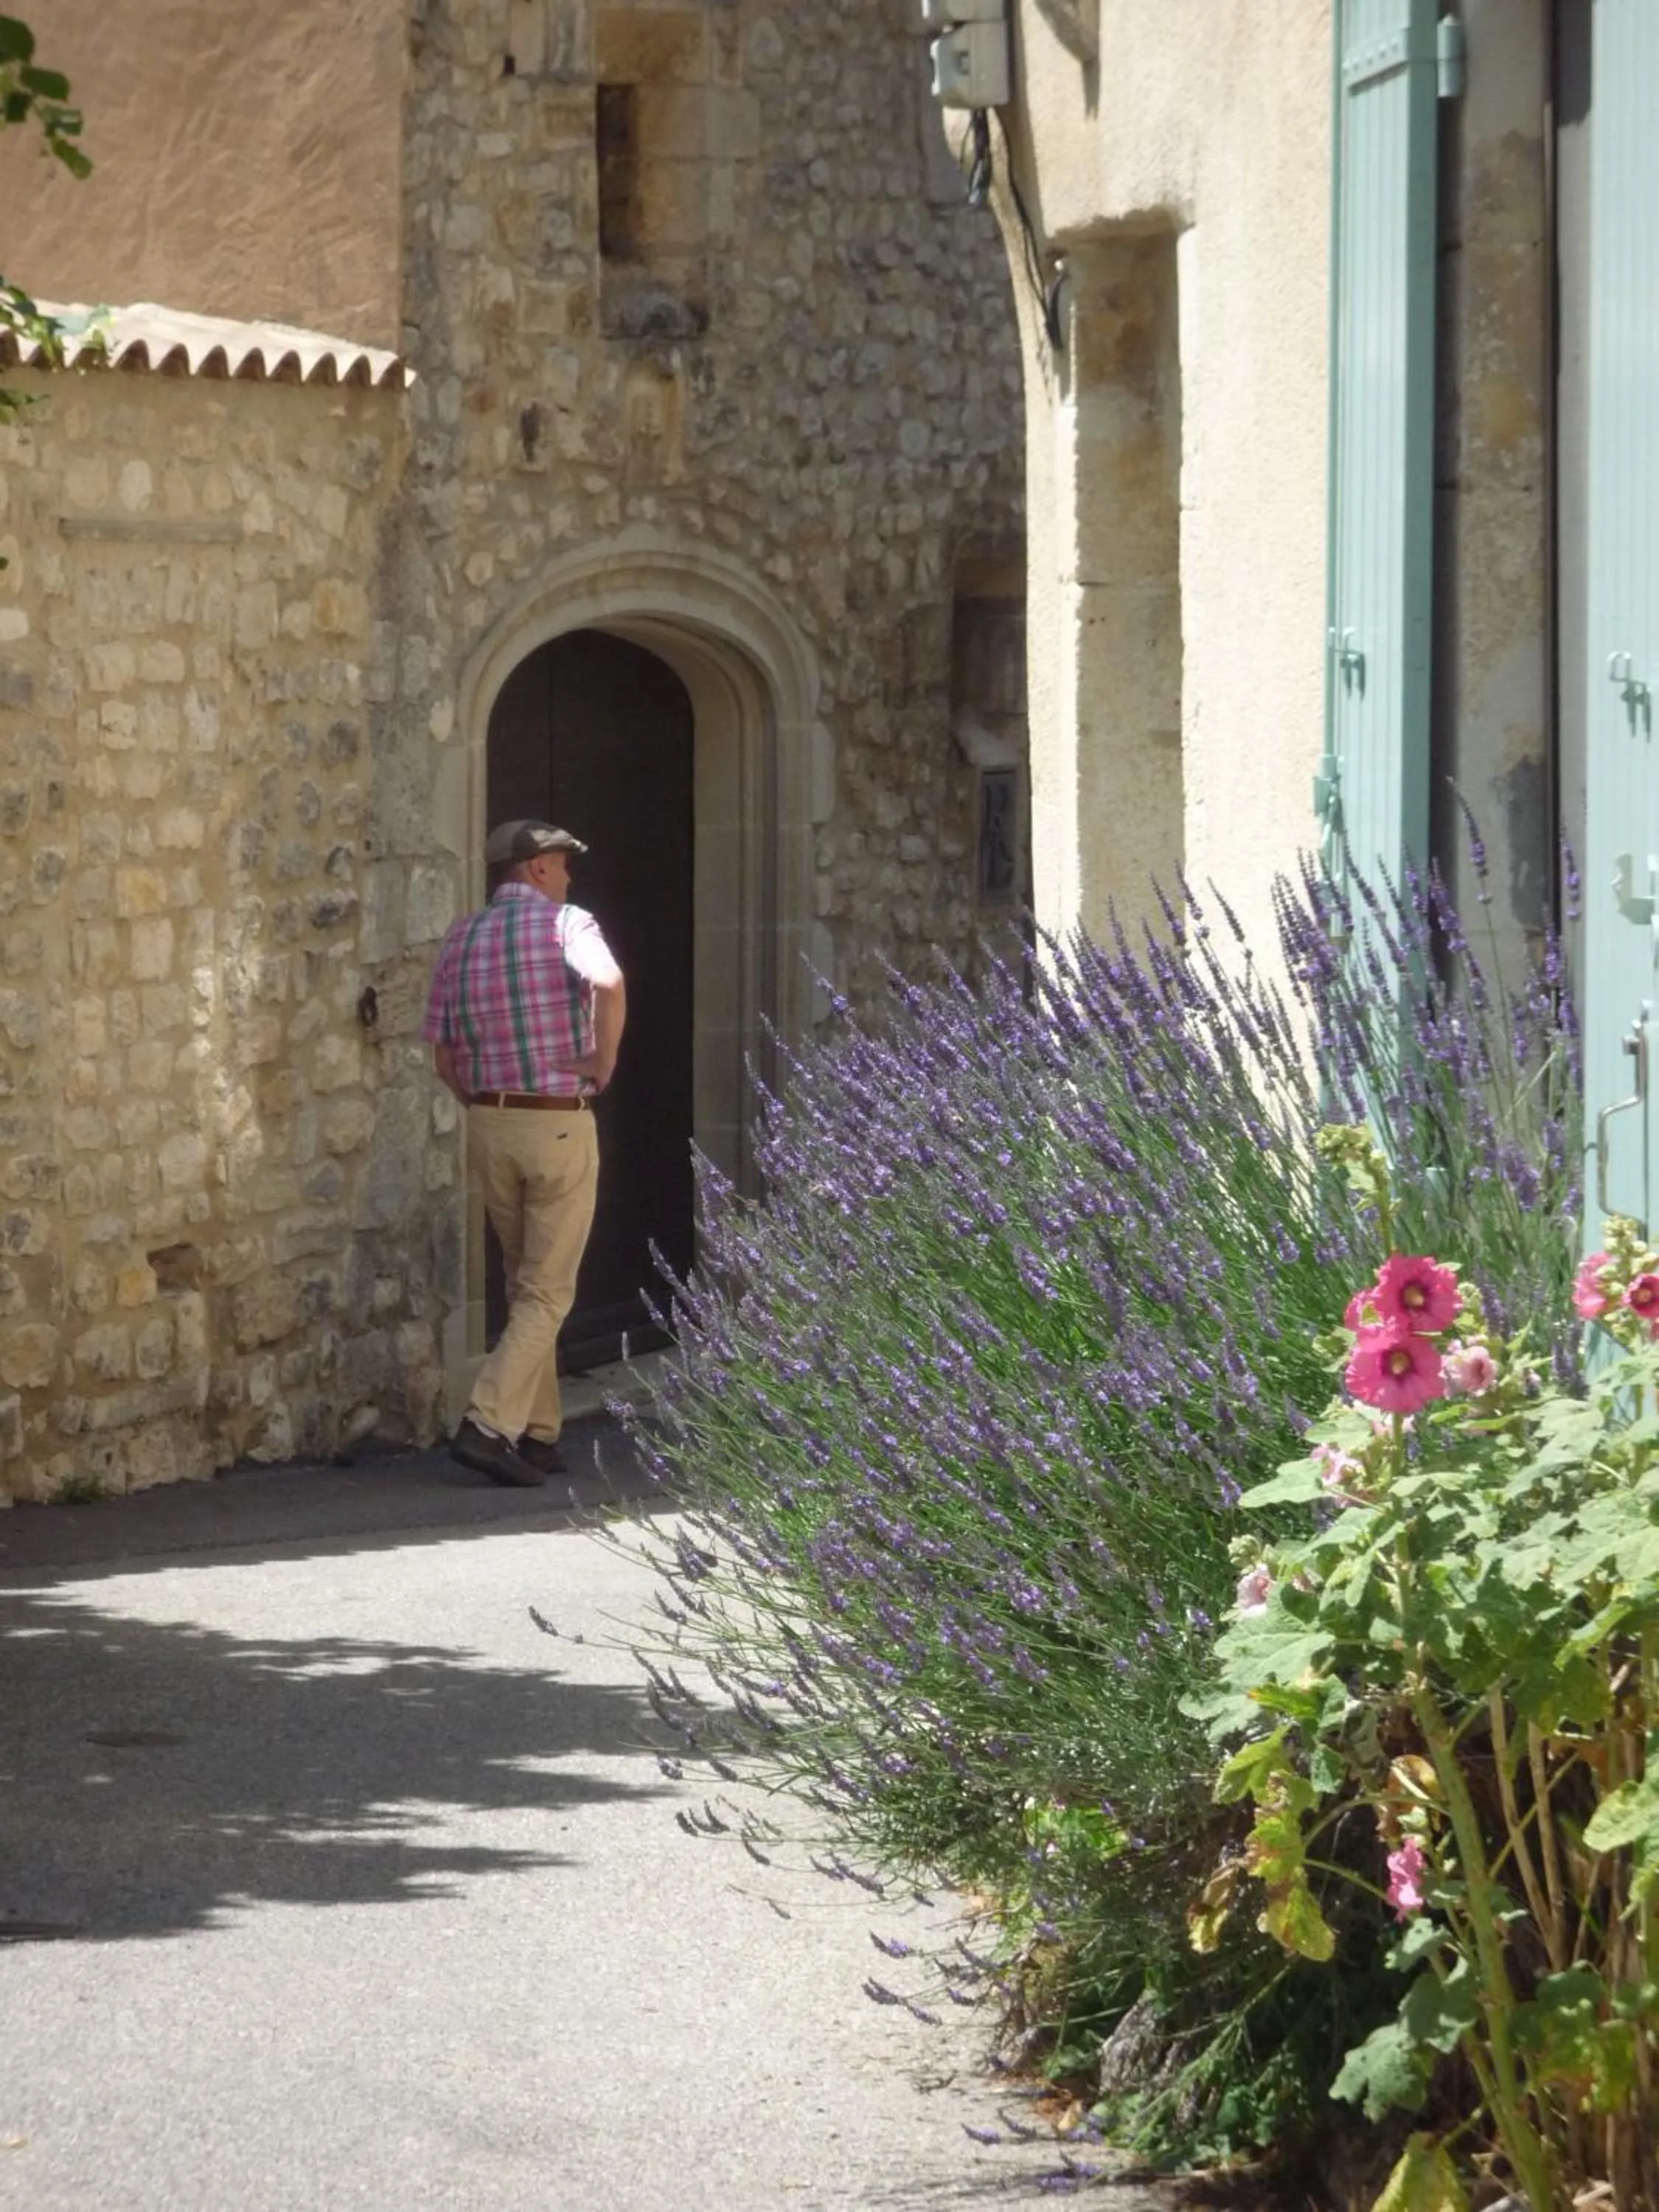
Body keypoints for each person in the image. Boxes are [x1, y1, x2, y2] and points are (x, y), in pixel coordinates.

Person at [422, 818, 627, 1487]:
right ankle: (487, 1424)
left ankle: (538, 1434)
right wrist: (603, 1059)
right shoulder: (568, 922)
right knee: (547, 1289)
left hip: (489, 1119)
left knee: (521, 1280)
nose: (568, 875)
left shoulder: (462, 935)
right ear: (536, 868)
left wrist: (480, 1101)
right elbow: (608, 981)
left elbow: (443, 1055)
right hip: (556, 1121)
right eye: (563, 863)